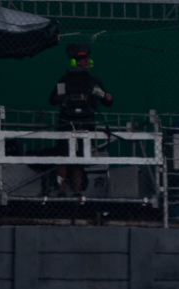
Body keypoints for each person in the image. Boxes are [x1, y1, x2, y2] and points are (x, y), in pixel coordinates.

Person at [50, 43, 113, 197]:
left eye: (87, 58)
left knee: (79, 158)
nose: (86, 61)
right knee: (62, 157)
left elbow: (107, 101)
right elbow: (52, 100)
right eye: (83, 59)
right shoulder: (64, 81)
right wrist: (60, 97)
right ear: (75, 62)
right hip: (66, 122)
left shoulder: (93, 82)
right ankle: (61, 189)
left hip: (86, 123)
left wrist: (106, 96)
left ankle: (77, 191)